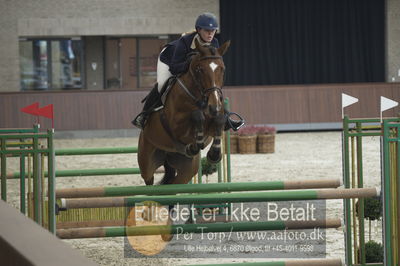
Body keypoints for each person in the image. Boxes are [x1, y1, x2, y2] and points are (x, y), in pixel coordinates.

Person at [132, 12, 244, 131]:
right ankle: (144, 115)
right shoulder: (185, 41)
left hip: (190, 69)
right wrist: (191, 64)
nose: (210, 33)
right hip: (168, 60)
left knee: (212, 87)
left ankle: (226, 118)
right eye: (207, 30)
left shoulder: (214, 43)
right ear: (198, 30)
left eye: (213, 30)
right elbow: (175, 68)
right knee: (162, 83)